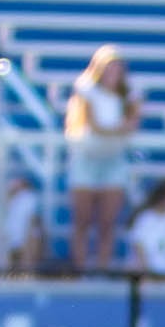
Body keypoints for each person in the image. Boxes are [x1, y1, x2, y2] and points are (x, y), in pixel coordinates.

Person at [64, 47, 140, 272]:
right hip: (86, 159)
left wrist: (116, 130)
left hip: (113, 160)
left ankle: (102, 270)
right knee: (82, 220)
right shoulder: (86, 91)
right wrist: (117, 130)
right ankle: (80, 270)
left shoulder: (129, 96)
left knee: (107, 222)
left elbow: (131, 124)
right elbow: (96, 126)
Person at [0, 173, 46, 275]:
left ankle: (26, 275)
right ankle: (2, 276)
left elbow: (34, 220)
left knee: (34, 235)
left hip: (24, 239)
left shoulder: (29, 200)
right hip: (6, 238)